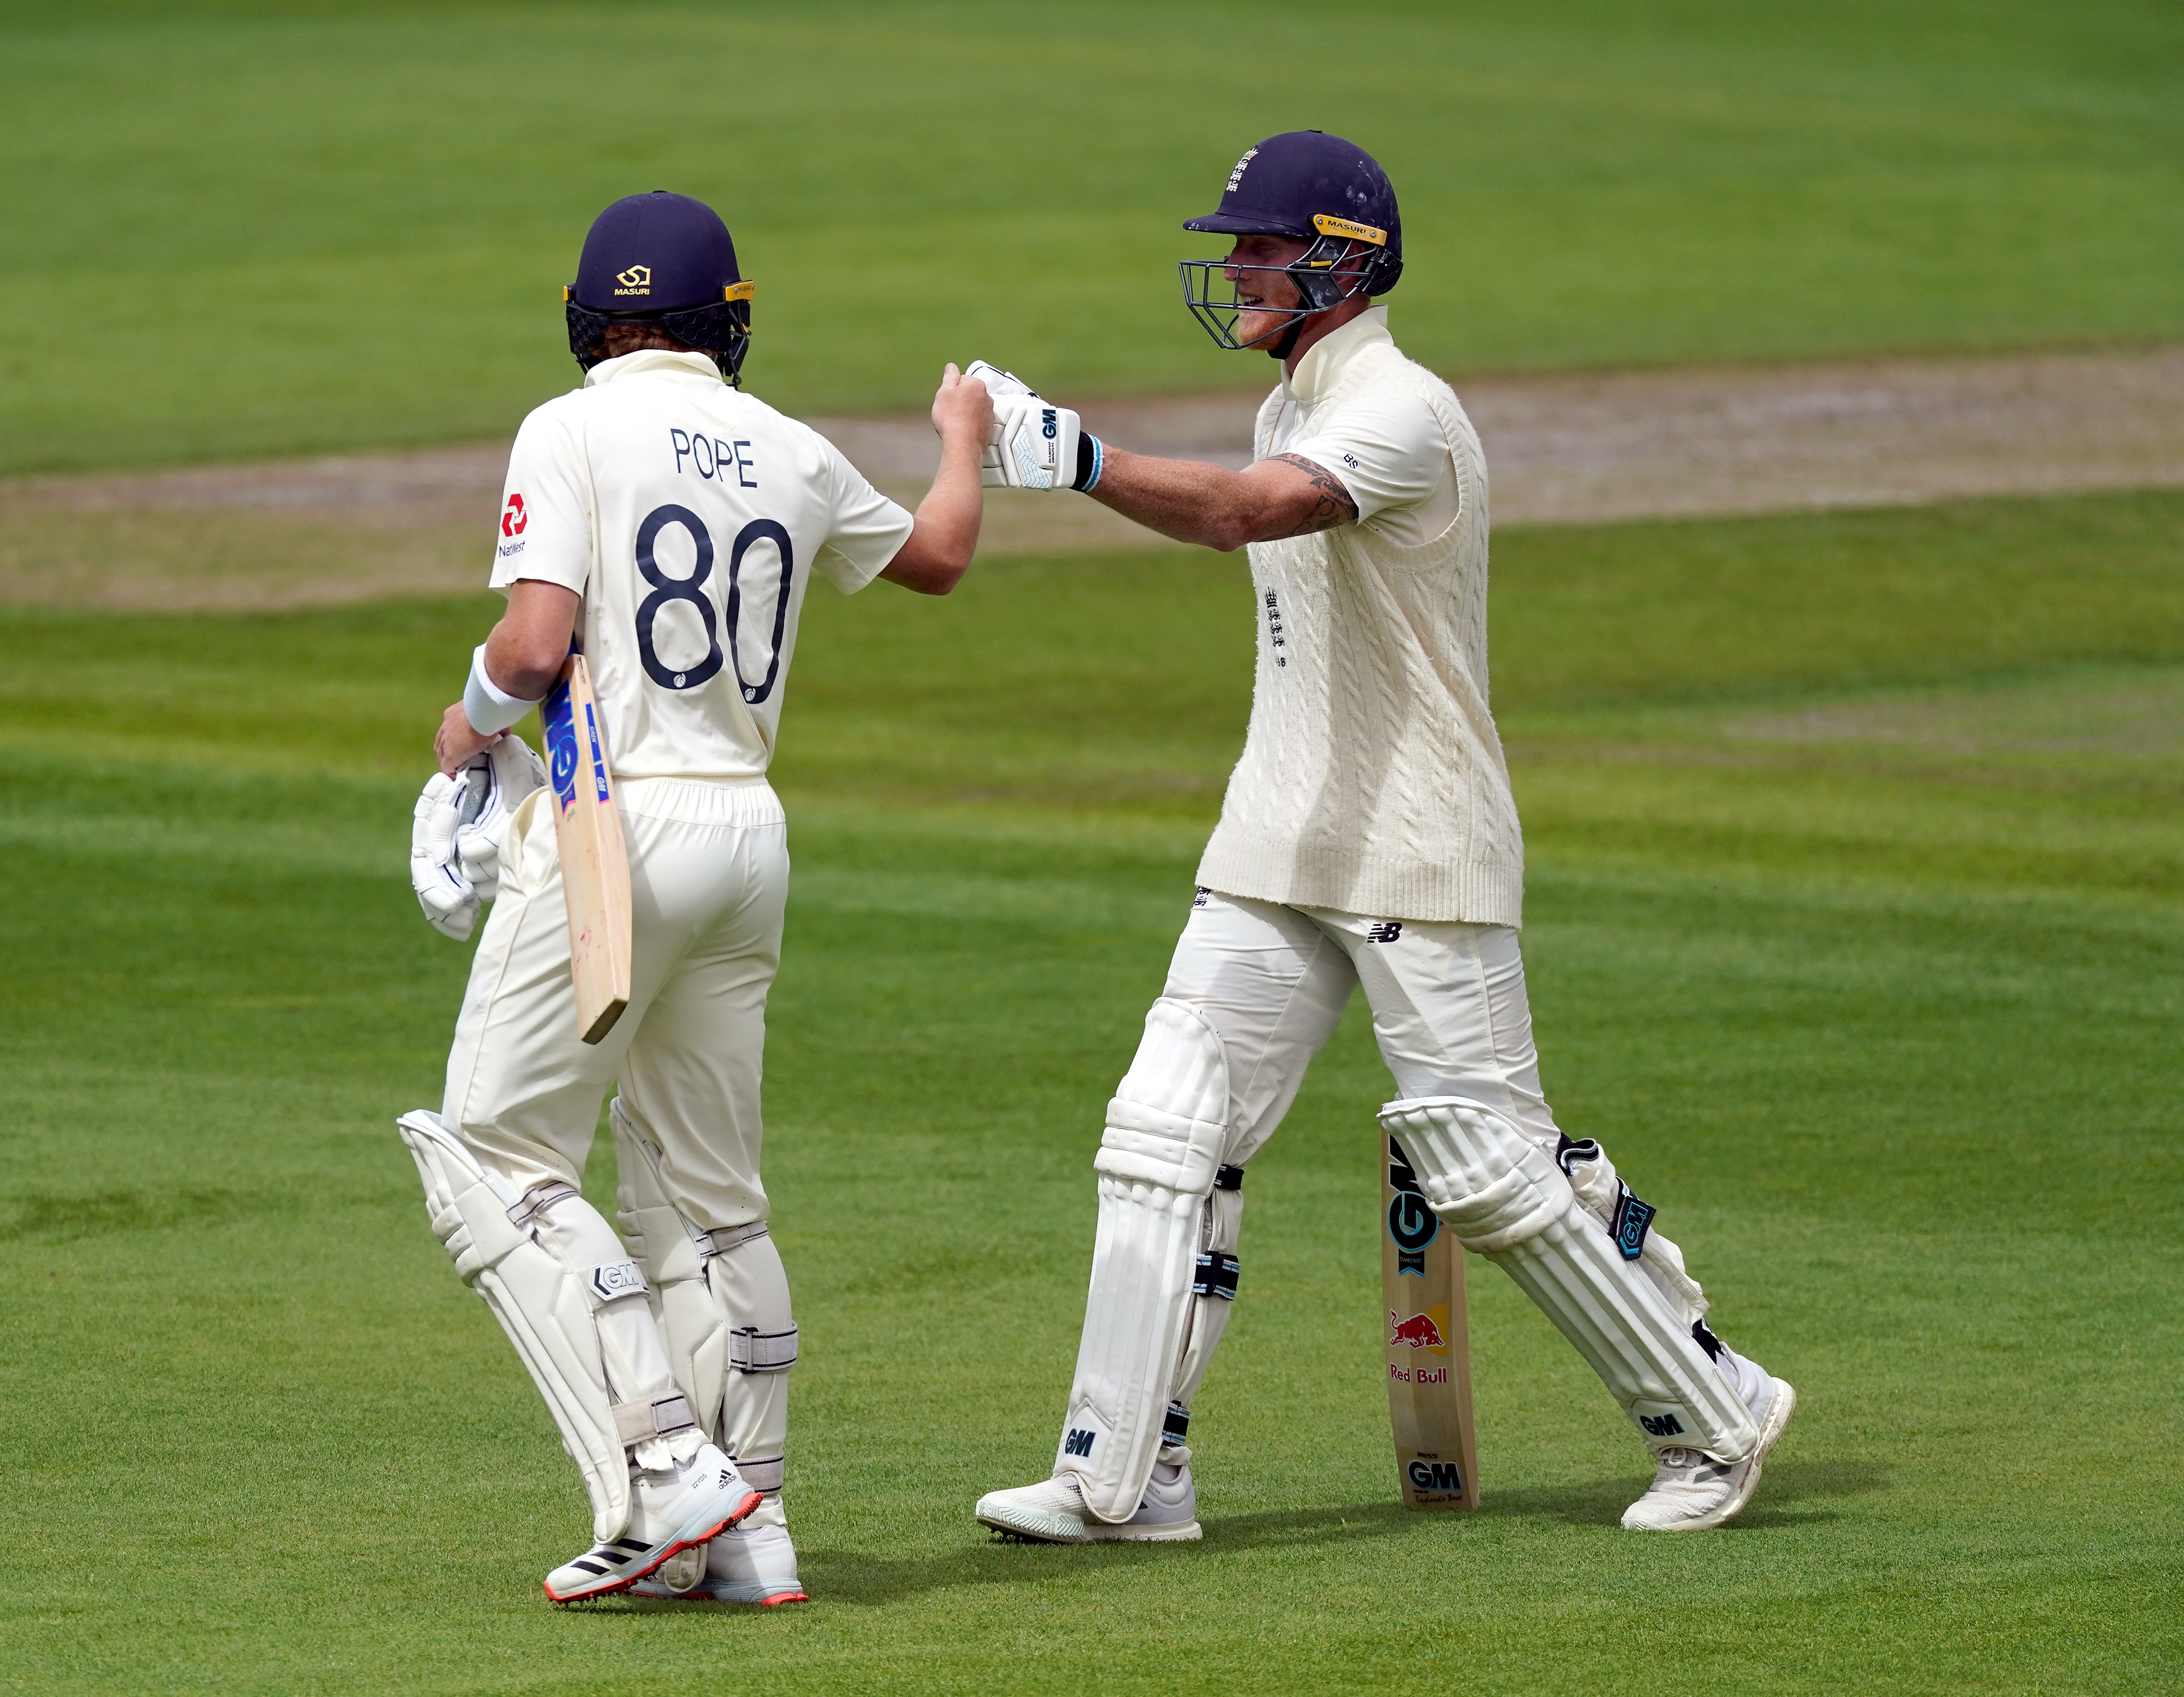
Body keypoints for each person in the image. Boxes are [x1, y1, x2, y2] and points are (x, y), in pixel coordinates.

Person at [968, 131, 1794, 1541]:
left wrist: (1084, 459)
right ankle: (1123, 1477)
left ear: (1341, 264)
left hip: (1422, 840)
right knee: (1165, 1131)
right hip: (1278, 838)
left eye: (1257, 246)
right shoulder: (1291, 402)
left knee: (1490, 1171)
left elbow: (1246, 519)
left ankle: (1717, 1419)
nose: (1232, 269)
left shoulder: (1400, 410)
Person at [396, 190, 997, 1605]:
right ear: (725, 321)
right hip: (746, 835)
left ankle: (668, 1468)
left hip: (617, 820)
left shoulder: (569, 424)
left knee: (493, 1157)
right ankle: (753, 1532)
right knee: (707, 1200)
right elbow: (941, 557)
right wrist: (962, 442)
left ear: (590, 321)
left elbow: (537, 643)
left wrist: (468, 725)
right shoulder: (788, 446)